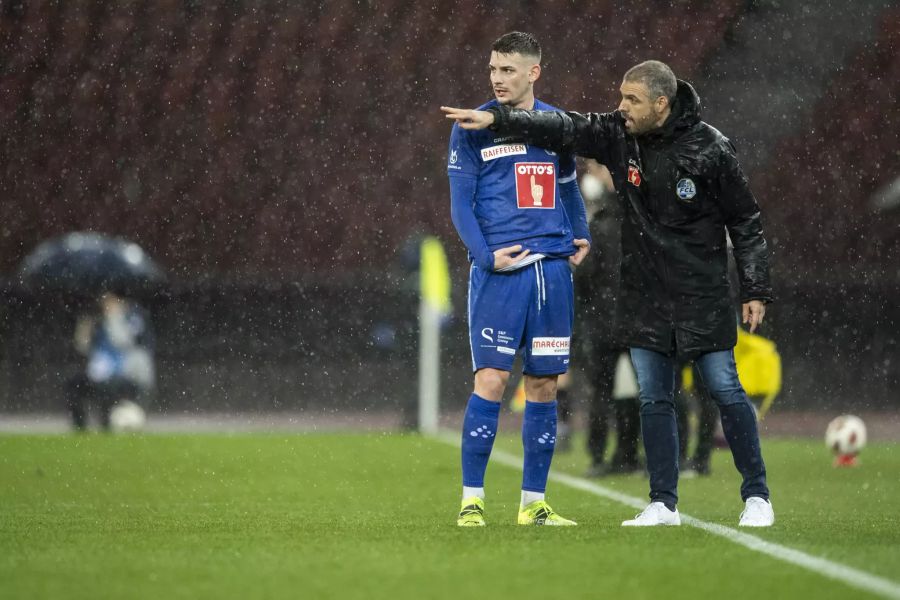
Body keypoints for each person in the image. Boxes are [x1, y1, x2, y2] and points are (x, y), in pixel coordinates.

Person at [442, 59, 775, 527]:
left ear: (662, 103)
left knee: (724, 389)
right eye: (620, 98)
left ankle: (756, 495)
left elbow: (745, 220)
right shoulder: (621, 136)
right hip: (644, 294)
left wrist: (755, 286)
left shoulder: (710, 147)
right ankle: (663, 503)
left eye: (631, 100)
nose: (621, 108)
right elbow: (564, 126)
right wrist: (499, 118)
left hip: (701, 291)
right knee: (653, 398)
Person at [447, 31, 591, 527]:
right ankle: (472, 500)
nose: (497, 78)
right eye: (492, 69)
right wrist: (487, 257)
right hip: (500, 273)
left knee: (545, 385)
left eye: (507, 69)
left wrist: (582, 233)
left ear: (534, 72)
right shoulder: (471, 127)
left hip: (551, 271)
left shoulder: (555, 126)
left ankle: (534, 504)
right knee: (491, 380)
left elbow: (570, 187)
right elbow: (460, 205)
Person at [568, 160, 642, 477]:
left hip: (603, 322)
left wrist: (587, 311)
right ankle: (634, 453)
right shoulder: (641, 226)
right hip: (639, 320)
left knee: (602, 392)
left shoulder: (599, 226)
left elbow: (584, 277)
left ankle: (599, 456)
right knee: (646, 392)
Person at [66, 291, 155, 430]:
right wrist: (84, 328)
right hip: (97, 372)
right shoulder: (98, 322)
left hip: (121, 373)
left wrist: (114, 316)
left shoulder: (131, 317)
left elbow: (123, 342)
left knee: (109, 389)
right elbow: (83, 348)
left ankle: (106, 424)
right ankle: (80, 426)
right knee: (73, 383)